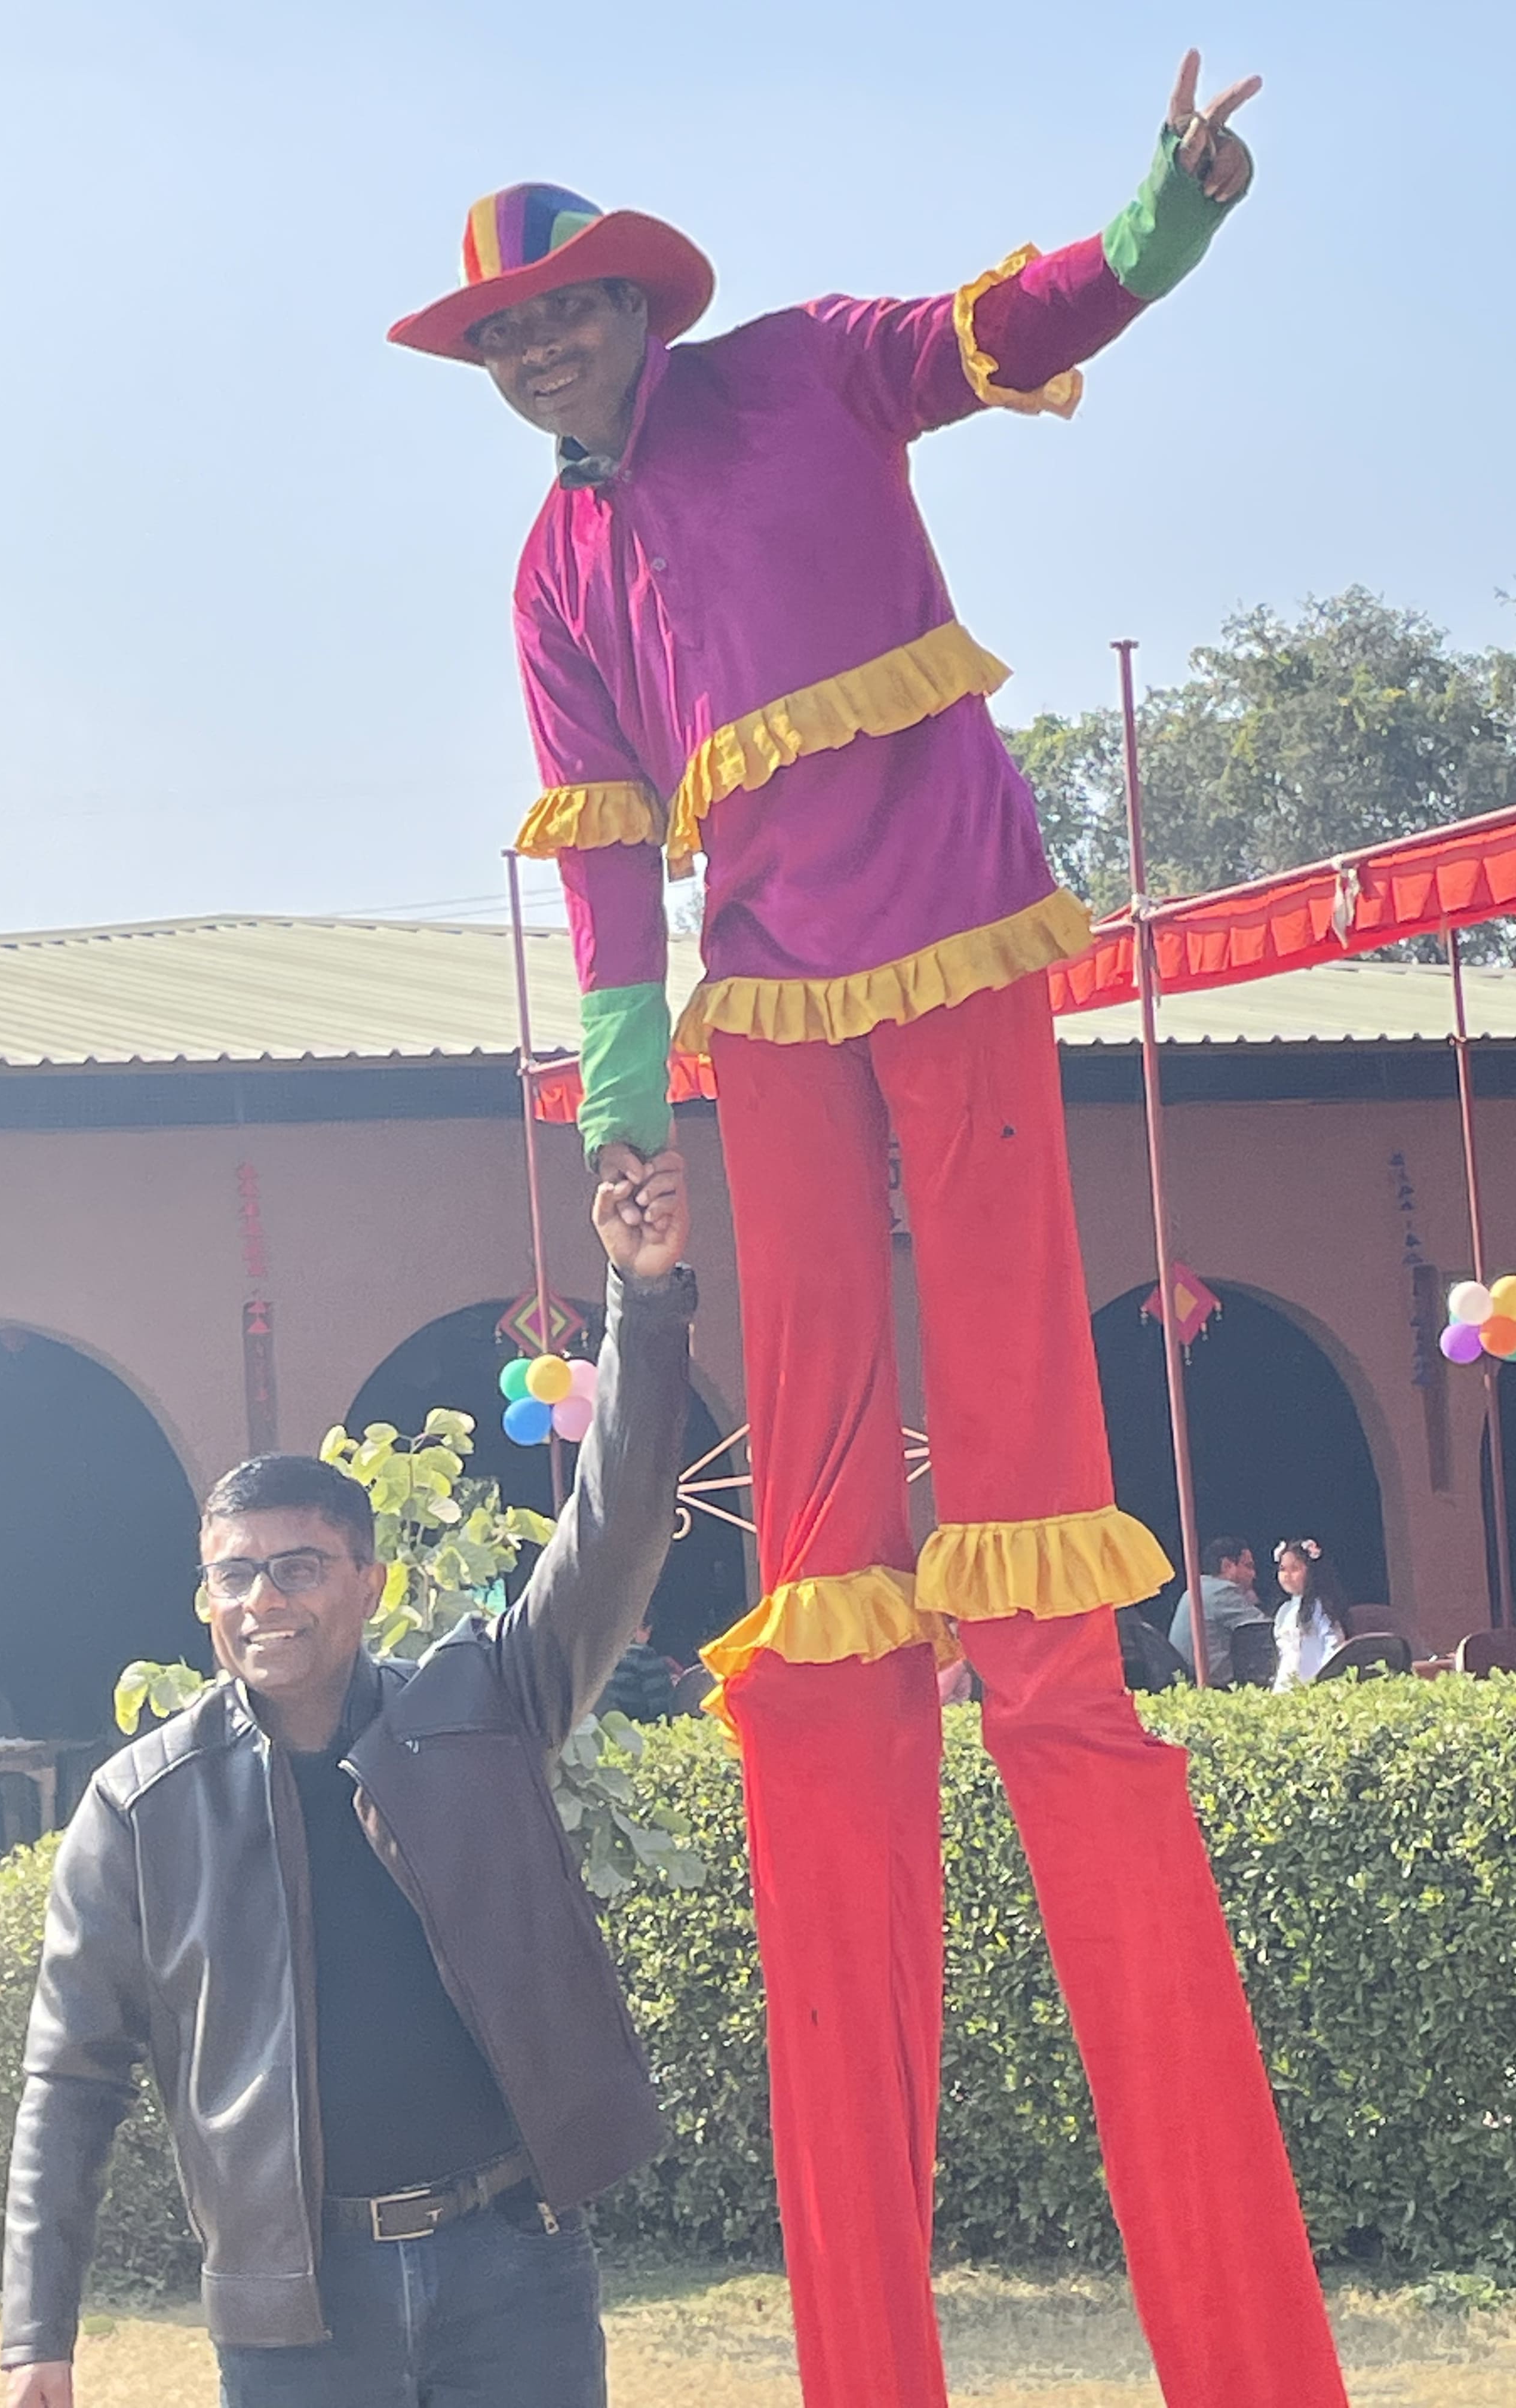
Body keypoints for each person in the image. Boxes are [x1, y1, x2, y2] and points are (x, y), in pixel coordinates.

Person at [390, 51, 1351, 2408]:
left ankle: (1033, 1638)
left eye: (558, 321)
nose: (531, 361)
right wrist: (627, 1124)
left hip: (963, 936)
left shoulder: (802, 373)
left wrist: (1163, 216)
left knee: (1019, 1476)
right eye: (498, 342)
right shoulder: (553, 569)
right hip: (779, 1023)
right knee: (822, 1541)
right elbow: (611, 882)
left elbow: (993, 330)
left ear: (631, 308)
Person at [0, 1151, 693, 2408]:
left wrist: (644, 1306)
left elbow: (617, 1530)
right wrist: (35, 2336)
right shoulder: (142, 1808)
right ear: (206, 1597)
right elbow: (72, 2071)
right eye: (236, 1574)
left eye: (301, 1568)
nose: (264, 1599)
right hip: (299, 2307)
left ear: (369, 1582)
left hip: (512, 2268)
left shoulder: (482, 1702)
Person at [1170, 1535, 1270, 1685]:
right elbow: (1267, 1629)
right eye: (1248, 1566)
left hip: (1187, 1682)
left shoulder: (1196, 1589)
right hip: (1213, 1688)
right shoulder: (1221, 1591)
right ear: (1227, 1566)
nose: (1254, 1575)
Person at [1272, 1536, 1348, 1689]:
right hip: (1287, 1680)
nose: (1287, 1575)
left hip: (1315, 1679)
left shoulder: (1320, 1607)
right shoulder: (1284, 1610)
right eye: (1282, 1569)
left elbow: (1332, 1644)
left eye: (1295, 1569)